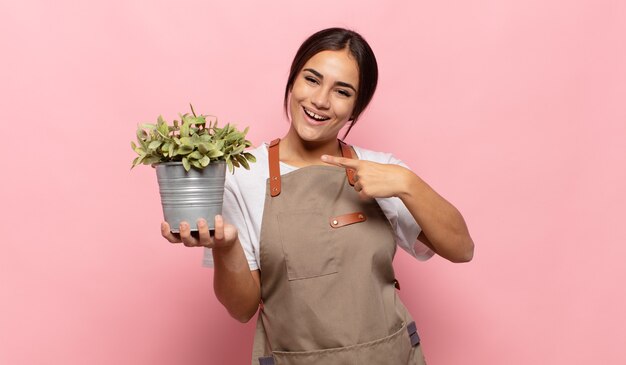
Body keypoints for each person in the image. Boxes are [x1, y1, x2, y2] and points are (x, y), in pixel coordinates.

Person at [161, 27, 474, 365]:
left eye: (342, 91)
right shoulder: (243, 176)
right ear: (292, 82)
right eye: (311, 80)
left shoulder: (381, 171)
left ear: (356, 108)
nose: (321, 101)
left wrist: (407, 182)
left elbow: (462, 249)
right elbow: (241, 309)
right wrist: (226, 247)